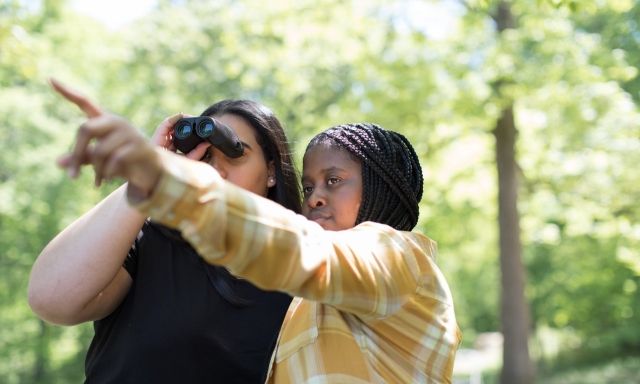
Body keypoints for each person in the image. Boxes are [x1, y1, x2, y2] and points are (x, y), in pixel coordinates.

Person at [48, 80, 461, 383]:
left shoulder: (399, 255)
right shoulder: (306, 309)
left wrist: (167, 180)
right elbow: (53, 298)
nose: (315, 197)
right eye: (310, 186)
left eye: (334, 181)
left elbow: (308, 255)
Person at [28, 79, 301, 383]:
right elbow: (51, 299)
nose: (217, 171)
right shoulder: (152, 241)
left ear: (272, 172)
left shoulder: (301, 276)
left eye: (235, 154)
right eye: (206, 156)